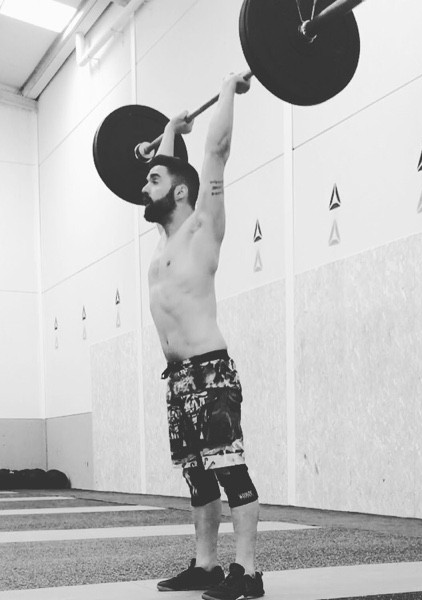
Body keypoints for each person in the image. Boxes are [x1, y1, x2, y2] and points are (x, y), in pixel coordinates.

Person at [141, 72, 264, 600]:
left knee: (229, 470)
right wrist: (170, 129)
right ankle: (207, 565)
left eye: (153, 181)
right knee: (197, 477)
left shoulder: (203, 228)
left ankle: (248, 572)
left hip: (210, 373)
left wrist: (227, 88)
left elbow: (214, 152)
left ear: (181, 191)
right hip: (177, 379)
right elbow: (172, 168)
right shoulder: (165, 239)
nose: (144, 187)